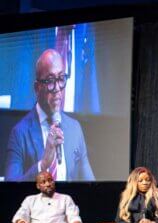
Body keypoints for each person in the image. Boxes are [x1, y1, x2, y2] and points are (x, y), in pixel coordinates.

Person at [5, 49, 95, 182]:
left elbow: (90, 185)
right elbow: (10, 188)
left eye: (61, 78)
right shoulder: (19, 133)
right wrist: (42, 165)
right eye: (51, 81)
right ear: (37, 88)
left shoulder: (75, 129)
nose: (58, 88)